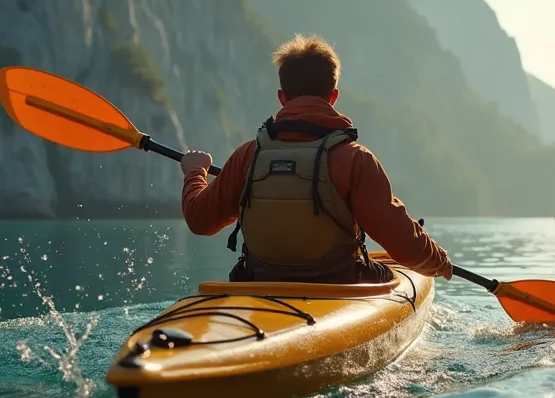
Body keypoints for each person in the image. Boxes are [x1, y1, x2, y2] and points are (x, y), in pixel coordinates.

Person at [177, 34, 453, 284]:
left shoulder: (248, 155)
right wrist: (439, 261)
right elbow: (404, 244)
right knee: (390, 274)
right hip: (338, 287)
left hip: (260, 283)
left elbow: (200, 221)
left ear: (282, 98)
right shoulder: (355, 160)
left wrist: (195, 172)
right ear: (333, 97)